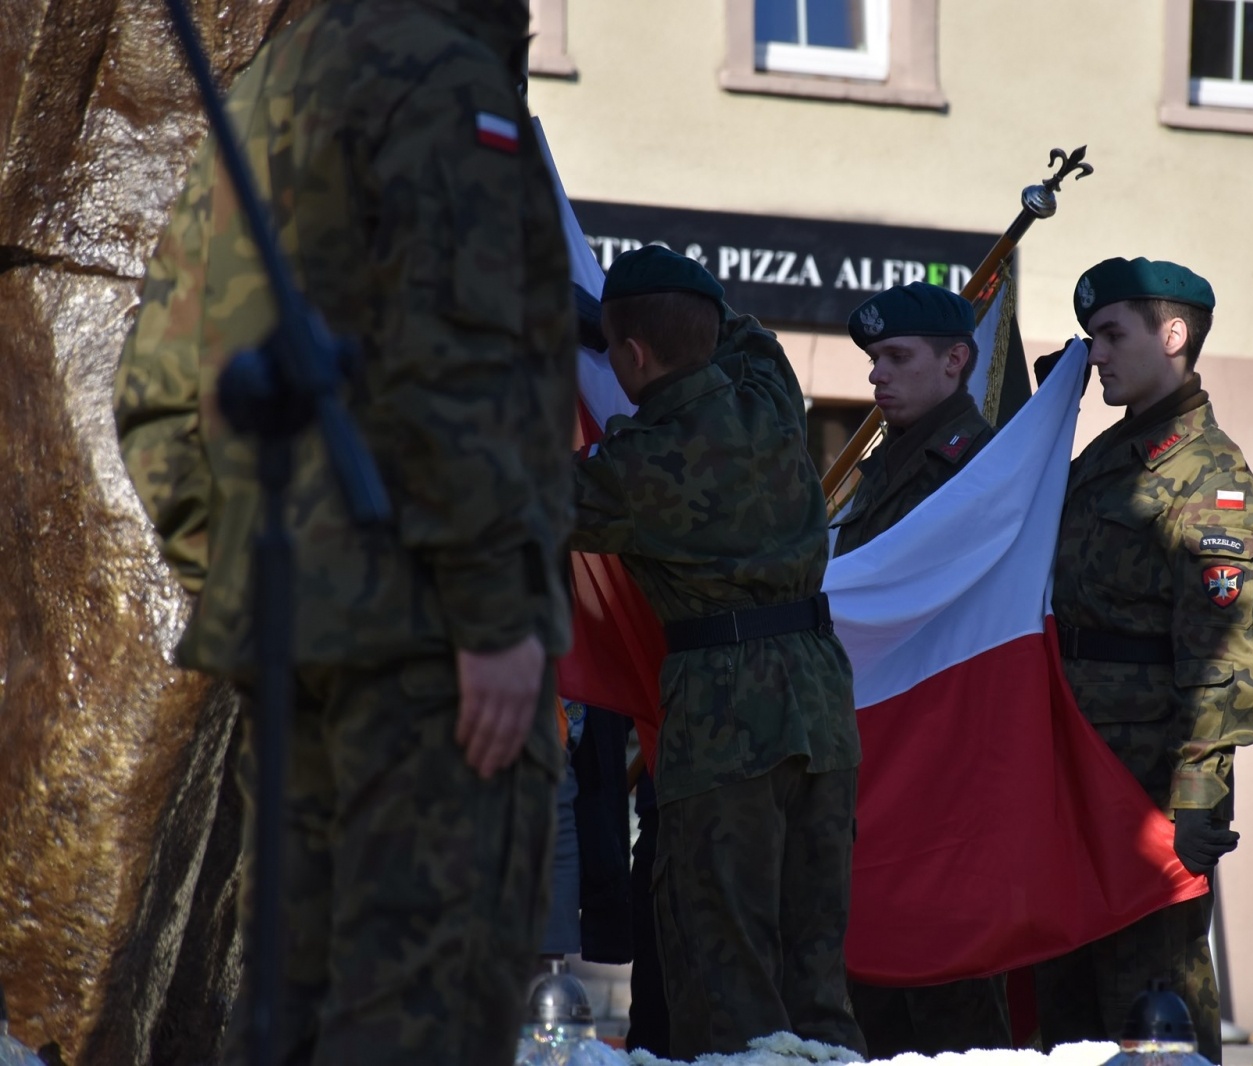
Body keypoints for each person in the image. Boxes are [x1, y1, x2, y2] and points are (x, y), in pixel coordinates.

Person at [113, 2, 577, 1061]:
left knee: (291, 1007)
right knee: (422, 1009)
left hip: (295, 647)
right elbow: (454, 366)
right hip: (432, 657)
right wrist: (490, 612)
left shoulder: (262, 91)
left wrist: (249, 580)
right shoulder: (446, 81)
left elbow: (156, 390)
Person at [570, 245, 865, 1059]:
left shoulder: (634, 467)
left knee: (727, 981)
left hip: (722, 718)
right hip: (820, 702)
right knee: (817, 974)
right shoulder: (772, 401)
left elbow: (509, 497)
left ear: (632, 355)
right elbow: (741, 332)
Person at [1032, 257, 1253, 1065]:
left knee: (1151, 1004)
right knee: (1066, 1003)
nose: (1095, 354)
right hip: (1077, 763)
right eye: (1090, 338)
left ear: (1172, 335)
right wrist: (1040, 416)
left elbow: (1233, 652)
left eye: (1110, 335)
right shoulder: (1111, 455)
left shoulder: (1208, 475)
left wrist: (1198, 795)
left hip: (1148, 783)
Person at [829, 283, 1011, 1056]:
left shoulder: (978, 467)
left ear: (956, 361)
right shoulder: (892, 461)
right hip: (878, 752)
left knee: (946, 999)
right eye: (875, 359)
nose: (878, 374)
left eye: (897, 357)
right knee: (874, 991)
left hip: (942, 758)